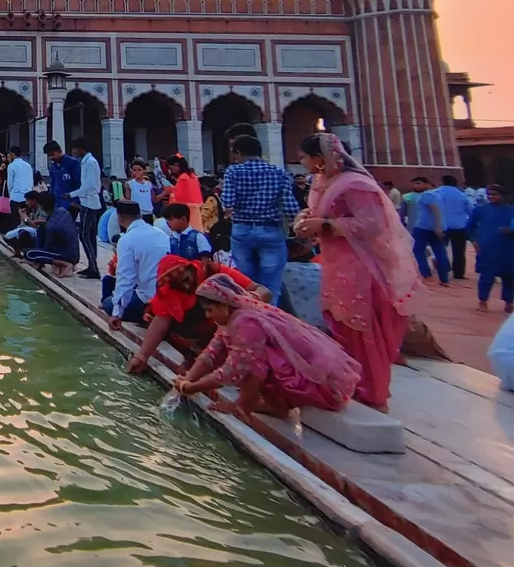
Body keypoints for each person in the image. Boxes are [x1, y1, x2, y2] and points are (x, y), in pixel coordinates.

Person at [293, 133, 422, 412]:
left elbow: (372, 225)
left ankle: (373, 393)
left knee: (361, 328)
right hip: (336, 262)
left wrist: (325, 225)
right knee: (339, 323)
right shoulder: (322, 182)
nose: (300, 161)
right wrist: (306, 219)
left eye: (303, 156)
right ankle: (350, 382)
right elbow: (318, 213)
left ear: (319, 158)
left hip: (360, 266)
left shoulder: (355, 185)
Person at [174, 273, 362, 417]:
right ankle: (274, 404)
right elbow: (211, 353)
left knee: (252, 361)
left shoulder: (246, 323)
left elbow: (232, 371)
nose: (208, 316)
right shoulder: (232, 317)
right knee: (249, 357)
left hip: (321, 385)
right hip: (310, 378)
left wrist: (192, 387)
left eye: (210, 310)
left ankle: (244, 407)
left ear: (225, 305)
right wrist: (188, 379)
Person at [126, 255, 271, 375]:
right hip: (215, 333)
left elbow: (264, 291)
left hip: (239, 325)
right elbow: (159, 325)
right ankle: (192, 358)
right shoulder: (171, 291)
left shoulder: (217, 274)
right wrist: (142, 356)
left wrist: (246, 300)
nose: (187, 287)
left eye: (187, 280)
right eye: (182, 286)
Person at [219, 134, 298, 303]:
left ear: (238, 153)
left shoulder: (233, 171)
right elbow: (290, 207)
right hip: (270, 230)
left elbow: (227, 202)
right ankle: (271, 319)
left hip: (242, 229)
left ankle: (253, 318)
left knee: (248, 283)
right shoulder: (278, 172)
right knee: (271, 285)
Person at [104, 200, 169, 327]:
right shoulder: (161, 234)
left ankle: (146, 315)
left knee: (109, 304)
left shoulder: (127, 240)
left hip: (150, 297)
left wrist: (117, 314)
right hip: (165, 293)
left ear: (120, 218)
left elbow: (126, 278)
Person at [469, 184, 514, 313]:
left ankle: (509, 302)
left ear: (502, 196)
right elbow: (470, 227)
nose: (491, 197)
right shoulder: (480, 210)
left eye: (494, 194)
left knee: (509, 277)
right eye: (489, 194)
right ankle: (483, 301)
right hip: (488, 247)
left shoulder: (511, 210)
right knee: (486, 276)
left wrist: (510, 230)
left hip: (508, 248)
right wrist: (474, 241)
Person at [69, 137, 103, 278]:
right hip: (89, 201)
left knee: (84, 235)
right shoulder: (88, 162)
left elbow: (89, 186)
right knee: (90, 236)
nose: (74, 151)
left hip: (89, 203)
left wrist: (71, 194)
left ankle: (94, 268)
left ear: (81, 148)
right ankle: (92, 265)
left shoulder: (89, 163)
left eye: (75, 148)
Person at [406, 175, 449, 283]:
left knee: (418, 250)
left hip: (424, 227)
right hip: (437, 226)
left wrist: (437, 226)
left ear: (427, 184)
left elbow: (436, 211)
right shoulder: (436, 194)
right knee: (439, 251)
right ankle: (444, 278)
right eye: (415, 184)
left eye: (419, 183)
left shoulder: (427, 195)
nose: (416, 186)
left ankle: (426, 274)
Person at [431, 175, 475, 280]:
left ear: (442, 182)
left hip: (440, 225)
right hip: (459, 225)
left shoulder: (434, 194)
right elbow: (470, 210)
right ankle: (459, 273)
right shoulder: (462, 195)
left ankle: (443, 268)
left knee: (440, 248)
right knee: (459, 251)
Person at [24, 201, 82, 278]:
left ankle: (66, 264)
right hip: (72, 252)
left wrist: (39, 257)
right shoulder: (62, 211)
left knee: (29, 254)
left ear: (41, 207)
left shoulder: (51, 226)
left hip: (66, 254)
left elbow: (47, 245)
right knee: (41, 230)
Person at [166, 155, 205, 231]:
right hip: (196, 208)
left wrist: (171, 191)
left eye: (171, 168)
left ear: (176, 165)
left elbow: (178, 197)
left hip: (186, 210)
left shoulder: (183, 178)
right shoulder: (192, 176)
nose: (171, 170)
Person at [2, 145, 34, 233]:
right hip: (27, 196)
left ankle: (15, 237)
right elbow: (31, 181)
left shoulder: (11, 166)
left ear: (12, 154)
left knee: (14, 220)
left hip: (15, 196)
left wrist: (10, 195)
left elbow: (10, 183)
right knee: (26, 218)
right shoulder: (28, 165)